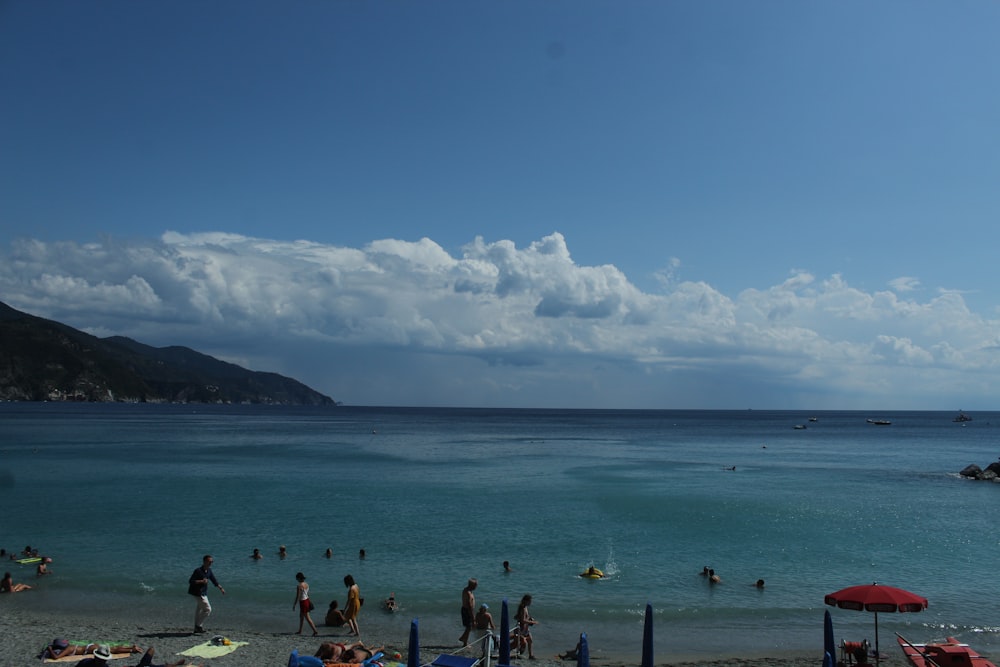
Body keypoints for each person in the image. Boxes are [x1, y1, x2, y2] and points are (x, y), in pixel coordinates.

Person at [187, 554, 225, 634]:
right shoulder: (198, 571)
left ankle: (196, 628)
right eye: (209, 561)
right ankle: (198, 626)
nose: (211, 563)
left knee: (199, 610)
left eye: (212, 561)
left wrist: (220, 588)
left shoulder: (209, 570)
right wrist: (201, 581)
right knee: (208, 609)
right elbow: (191, 581)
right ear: (204, 562)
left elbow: (214, 580)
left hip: (204, 592)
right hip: (197, 593)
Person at [40, 639, 142, 660]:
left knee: (113, 650)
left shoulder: (68, 649)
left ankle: (132, 650)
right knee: (113, 648)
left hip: (90, 648)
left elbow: (56, 657)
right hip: (90, 646)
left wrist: (49, 649)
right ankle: (131, 648)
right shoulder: (70, 646)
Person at [515, 594, 537, 659]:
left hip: (526, 628)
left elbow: (524, 616)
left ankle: (531, 655)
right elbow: (523, 620)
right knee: (522, 642)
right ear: (526, 601)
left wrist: (530, 618)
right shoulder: (522, 608)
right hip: (521, 628)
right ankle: (518, 653)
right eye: (529, 601)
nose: (530, 602)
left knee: (530, 640)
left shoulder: (525, 607)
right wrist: (532, 622)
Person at [459, 578, 478, 646]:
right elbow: (469, 606)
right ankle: (464, 642)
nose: (476, 587)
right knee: (469, 626)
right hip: (467, 610)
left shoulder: (466, 590)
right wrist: (473, 618)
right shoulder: (469, 593)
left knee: (468, 627)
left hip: (464, 609)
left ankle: (463, 639)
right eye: (476, 585)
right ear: (473, 585)